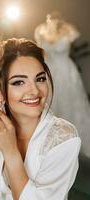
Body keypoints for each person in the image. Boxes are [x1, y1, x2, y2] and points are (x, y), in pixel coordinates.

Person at [0, 38, 81, 200]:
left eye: (40, 79)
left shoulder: (64, 137)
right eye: (19, 82)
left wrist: (11, 151)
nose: (34, 91)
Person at [34, 16, 90, 158]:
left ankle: (76, 144)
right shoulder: (41, 31)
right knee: (51, 106)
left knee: (71, 106)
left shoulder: (69, 30)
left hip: (67, 73)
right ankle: (51, 148)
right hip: (49, 73)